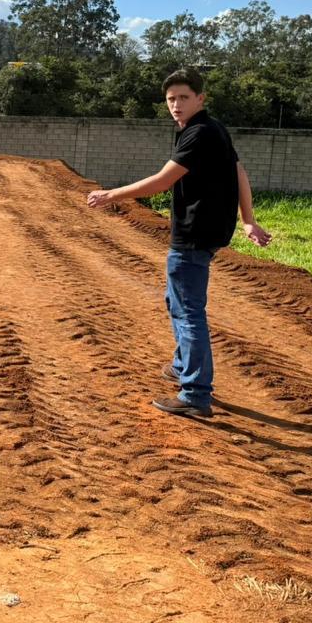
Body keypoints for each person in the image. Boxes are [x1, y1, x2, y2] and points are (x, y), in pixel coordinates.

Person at [86, 68, 272, 418]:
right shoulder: (212, 128)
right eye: (171, 99)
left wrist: (111, 195)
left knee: (188, 312)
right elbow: (239, 172)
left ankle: (195, 394)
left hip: (194, 234)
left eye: (184, 97)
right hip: (209, 231)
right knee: (177, 301)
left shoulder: (198, 133)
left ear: (200, 98)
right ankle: (182, 365)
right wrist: (247, 220)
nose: (176, 105)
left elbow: (162, 181)